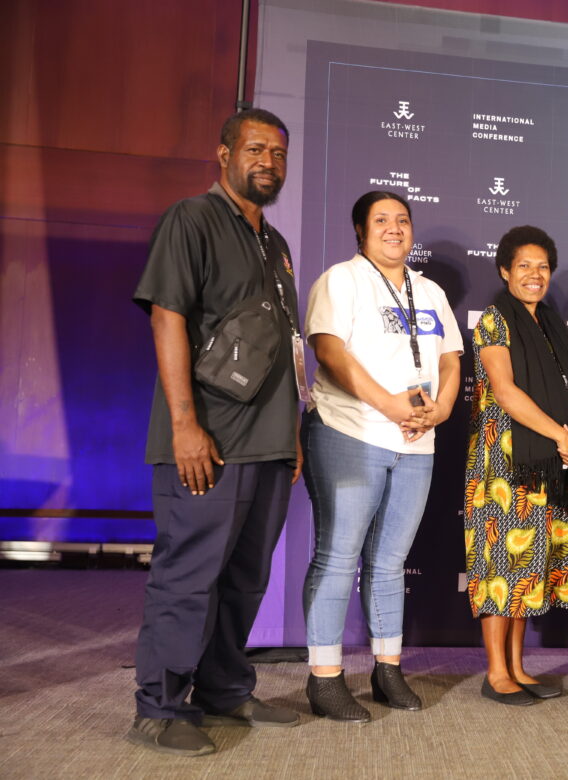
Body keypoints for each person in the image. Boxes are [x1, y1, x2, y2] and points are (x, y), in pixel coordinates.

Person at [129, 108, 303, 757]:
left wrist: (294, 435)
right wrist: (184, 426)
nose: (269, 161)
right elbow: (167, 317)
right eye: (256, 149)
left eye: (279, 153)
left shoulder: (275, 244)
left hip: (270, 445)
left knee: (244, 577)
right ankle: (159, 705)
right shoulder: (191, 219)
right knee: (188, 574)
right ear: (223, 153)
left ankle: (224, 688)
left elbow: (285, 348)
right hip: (209, 441)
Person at [300, 191, 462, 721]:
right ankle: (325, 677)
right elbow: (329, 350)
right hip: (351, 431)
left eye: (403, 220)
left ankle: (387, 667)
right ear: (360, 230)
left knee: (390, 564)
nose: (394, 228)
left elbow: (450, 359)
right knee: (338, 555)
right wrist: (389, 404)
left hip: (417, 441)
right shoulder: (341, 280)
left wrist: (440, 409)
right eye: (381, 220)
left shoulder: (430, 291)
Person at [465, 226, 568, 706]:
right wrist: (563, 436)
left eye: (542, 267)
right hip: (504, 467)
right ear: (504, 271)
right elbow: (505, 392)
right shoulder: (494, 322)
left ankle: (518, 667)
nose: (534, 275)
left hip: (548, 463)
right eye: (524, 266)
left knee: (527, 568)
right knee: (501, 563)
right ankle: (496, 672)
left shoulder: (551, 325)